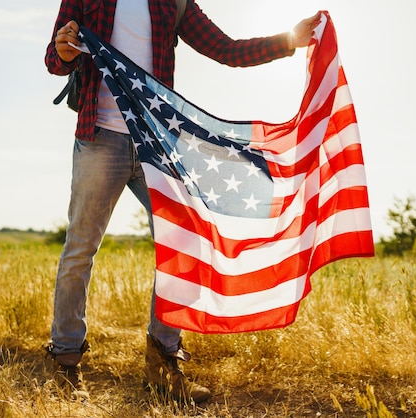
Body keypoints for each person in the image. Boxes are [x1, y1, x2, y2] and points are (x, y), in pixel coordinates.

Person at [45, 0, 321, 403]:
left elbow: (225, 49)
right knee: (80, 249)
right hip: (100, 137)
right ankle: (65, 360)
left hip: (158, 144)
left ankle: (162, 363)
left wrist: (289, 40)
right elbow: (55, 58)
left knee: (183, 246)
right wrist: (66, 50)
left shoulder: (173, 3)